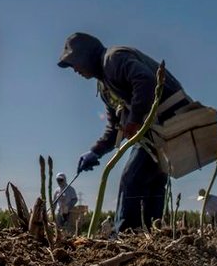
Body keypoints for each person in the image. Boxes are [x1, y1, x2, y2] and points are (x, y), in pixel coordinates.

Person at [57, 32, 194, 233]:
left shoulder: (114, 59)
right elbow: (115, 128)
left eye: (74, 61)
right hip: (152, 132)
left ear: (86, 55)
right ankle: (151, 235)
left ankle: (127, 235)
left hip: (169, 122)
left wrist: (134, 120)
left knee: (132, 179)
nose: (74, 69)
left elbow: (145, 81)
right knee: (153, 181)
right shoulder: (104, 86)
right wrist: (95, 152)